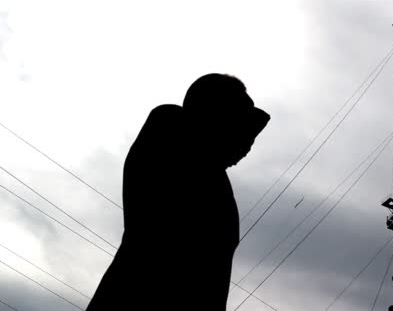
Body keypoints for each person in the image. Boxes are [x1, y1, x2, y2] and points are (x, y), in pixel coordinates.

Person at [86, 73, 270, 310]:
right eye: (241, 134)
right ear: (216, 117)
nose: (246, 149)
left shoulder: (213, 177)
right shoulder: (169, 134)